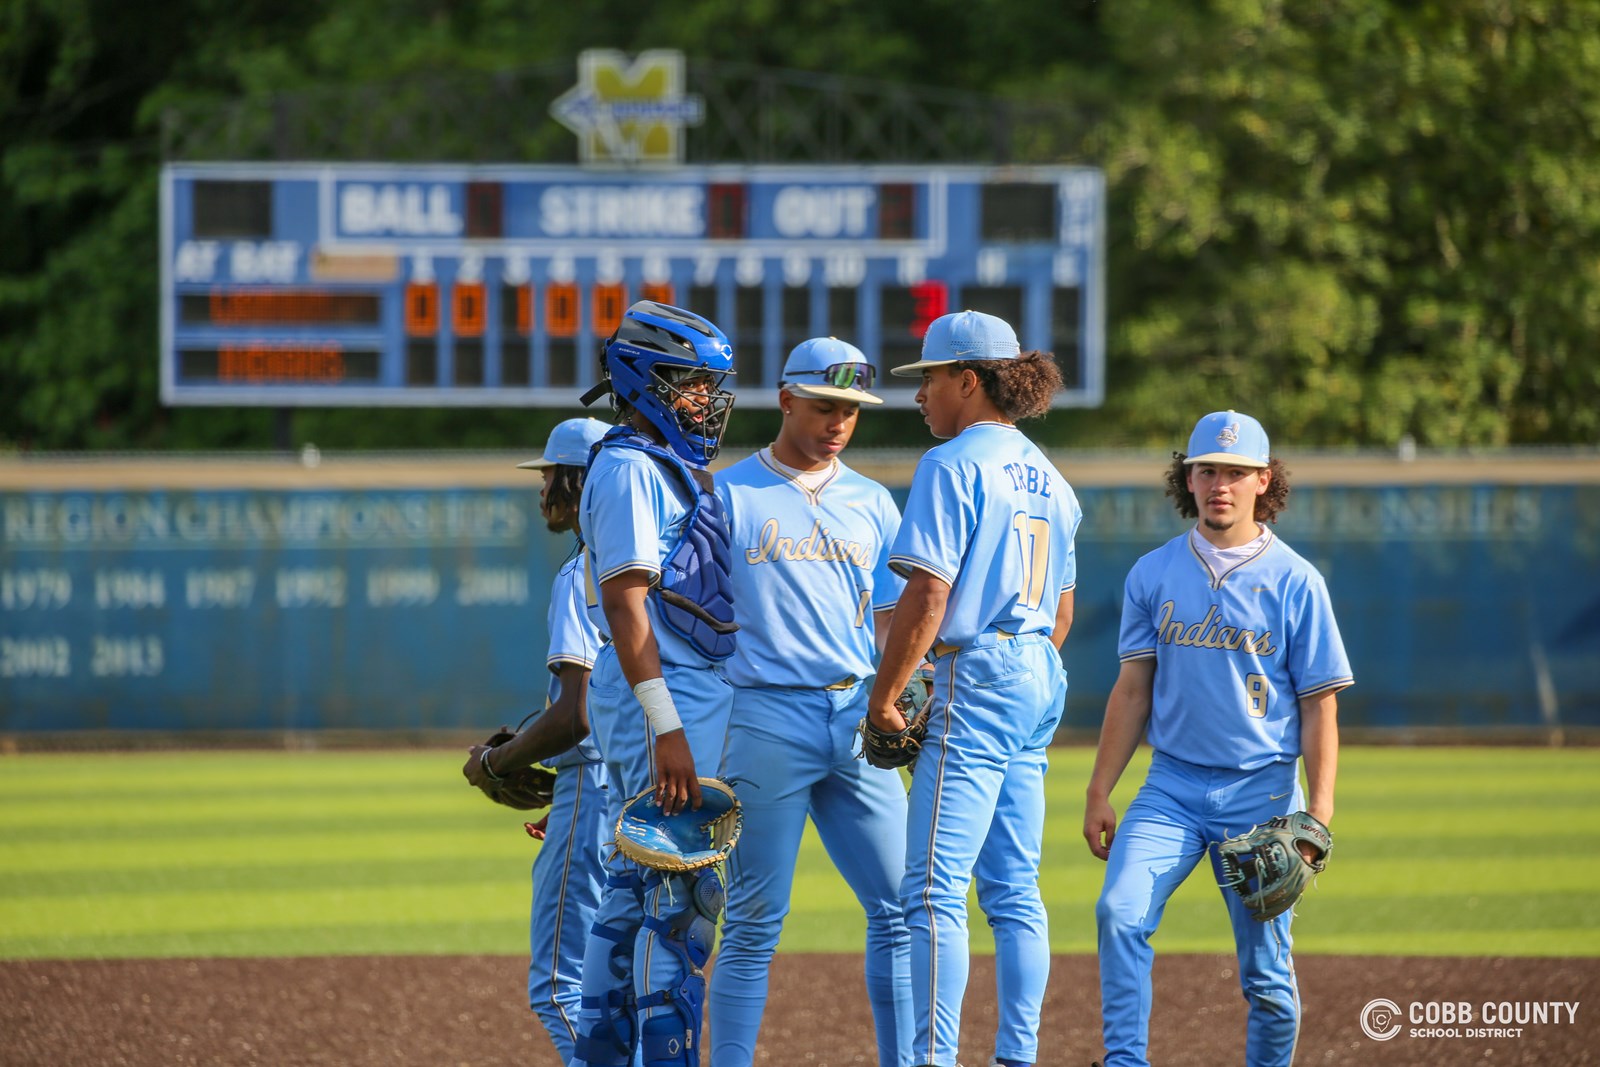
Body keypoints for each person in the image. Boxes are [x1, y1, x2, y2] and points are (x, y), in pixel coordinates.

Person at [1082, 410, 1352, 1067]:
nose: (1219, 484)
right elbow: (1132, 691)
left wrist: (1317, 812)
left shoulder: (1295, 581)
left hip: (1259, 795)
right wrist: (1099, 789)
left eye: (1235, 472)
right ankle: (1124, 1061)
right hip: (1170, 788)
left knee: (1267, 982)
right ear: (1188, 478)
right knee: (1119, 912)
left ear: (1264, 480)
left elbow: (1319, 707)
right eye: (1207, 470)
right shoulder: (1152, 573)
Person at [865, 310, 1081, 1067]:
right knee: (1016, 890)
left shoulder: (953, 463)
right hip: (1037, 672)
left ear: (966, 379)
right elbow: (1062, 613)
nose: (920, 394)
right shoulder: (1053, 478)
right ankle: (1017, 1056)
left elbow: (928, 595)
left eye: (928, 378)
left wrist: (885, 694)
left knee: (930, 889)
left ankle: (933, 1061)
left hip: (979, 670)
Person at [708, 337, 914, 1067]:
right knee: (757, 917)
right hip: (764, 715)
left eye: (851, 410)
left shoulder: (872, 501)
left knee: (902, 908)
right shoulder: (728, 493)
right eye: (825, 405)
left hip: (857, 714)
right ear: (786, 399)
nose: (838, 422)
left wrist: (899, 696)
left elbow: (892, 616)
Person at [569, 300, 740, 1067]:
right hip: (658, 693)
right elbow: (623, 601)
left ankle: (602, 1055)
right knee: (681, 895)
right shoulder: (633, 466)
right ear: (641, 381)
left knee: (636, 889)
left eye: (710, 385)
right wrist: (665, 721)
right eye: (688, 383)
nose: (704, 400)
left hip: (665, 689)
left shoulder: (652, 462)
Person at [461, 416, 611, 1064]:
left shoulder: (583, 572)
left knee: (560, 985)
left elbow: (575, 715)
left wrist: (497, 761)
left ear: (577, 482)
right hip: (653, 782)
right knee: (631, 981)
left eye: (550, 474)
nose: (542, 486)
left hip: (596, 785)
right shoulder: (654, 566)